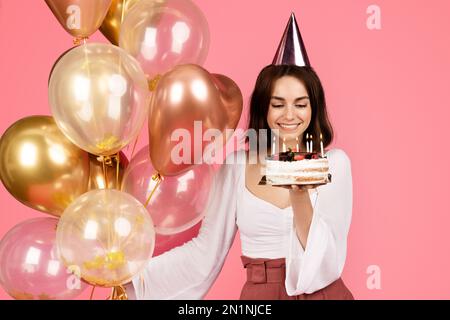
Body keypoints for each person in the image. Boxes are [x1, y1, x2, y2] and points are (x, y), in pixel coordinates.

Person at [127, 63, 354, 300]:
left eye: (300, 104)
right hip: (261, 296)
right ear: (263, 108)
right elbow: (205, 253)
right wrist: (135, 277)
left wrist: (298, 194)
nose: (289, 114)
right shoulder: (237, 166)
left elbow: (326, 255)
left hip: (323, 294)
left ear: (313, 108)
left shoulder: (334, 163)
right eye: (277, 104)